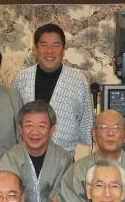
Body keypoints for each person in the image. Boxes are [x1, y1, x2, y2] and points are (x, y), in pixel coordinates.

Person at [12, 23, 93, 152]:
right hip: (26, 156)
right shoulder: (22, 79)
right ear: (35, 49)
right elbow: (14, 121)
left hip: (65, 156)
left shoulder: (78, 80)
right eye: (44, 45)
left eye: (56, 45)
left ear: (63, 50)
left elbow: (87, 124)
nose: (50, 51)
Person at [0, 100, 73, 202]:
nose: (35, 132)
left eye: (42, 126)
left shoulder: (64, 159)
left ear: (52, 130)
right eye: (29, 125)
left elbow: (65, 197)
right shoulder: (10, 159)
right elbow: (6, 199)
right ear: (20, 129)